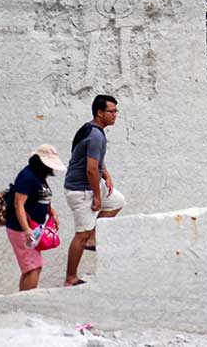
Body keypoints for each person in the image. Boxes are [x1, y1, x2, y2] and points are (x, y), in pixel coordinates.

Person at [64, 94, 127, 287]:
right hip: (81, 190)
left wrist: (106, 174)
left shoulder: (93, 131)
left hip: (89, 186)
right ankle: (70, 278)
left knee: (117, 201)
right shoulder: (95, 135)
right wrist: (97, 197)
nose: (115, 115)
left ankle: (93, 238)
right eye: (112, 111)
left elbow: (96, 160)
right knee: (81, 234)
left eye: (116, 111)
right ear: (100, 113)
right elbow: (91, 169)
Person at [6, 144, 65, 291]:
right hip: (21, 229)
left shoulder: (39, 176)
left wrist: (53, 213)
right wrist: (27, 230)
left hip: (32, 229)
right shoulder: (27, 176)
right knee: (34, 267)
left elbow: (43, 198)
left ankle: (21, 302)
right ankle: (26, 304)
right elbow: (18, 204)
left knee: (30, 268)